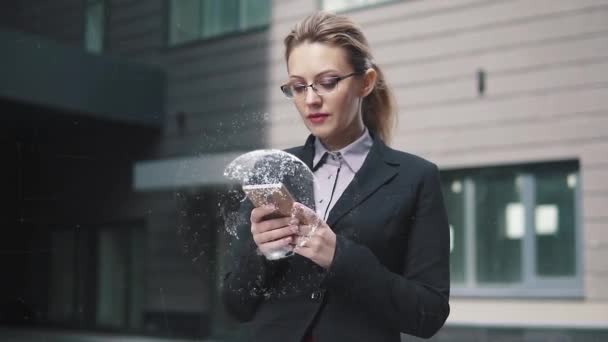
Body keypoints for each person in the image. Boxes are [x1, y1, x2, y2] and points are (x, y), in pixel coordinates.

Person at [222, 11, 450, 342]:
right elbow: (235, 306)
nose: (311, 99)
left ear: (365, 82)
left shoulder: (415, 178)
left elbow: (428, 314)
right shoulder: (271, 172)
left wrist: (340, 258)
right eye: (298, 87)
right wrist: (260, 253)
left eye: (328, 82)